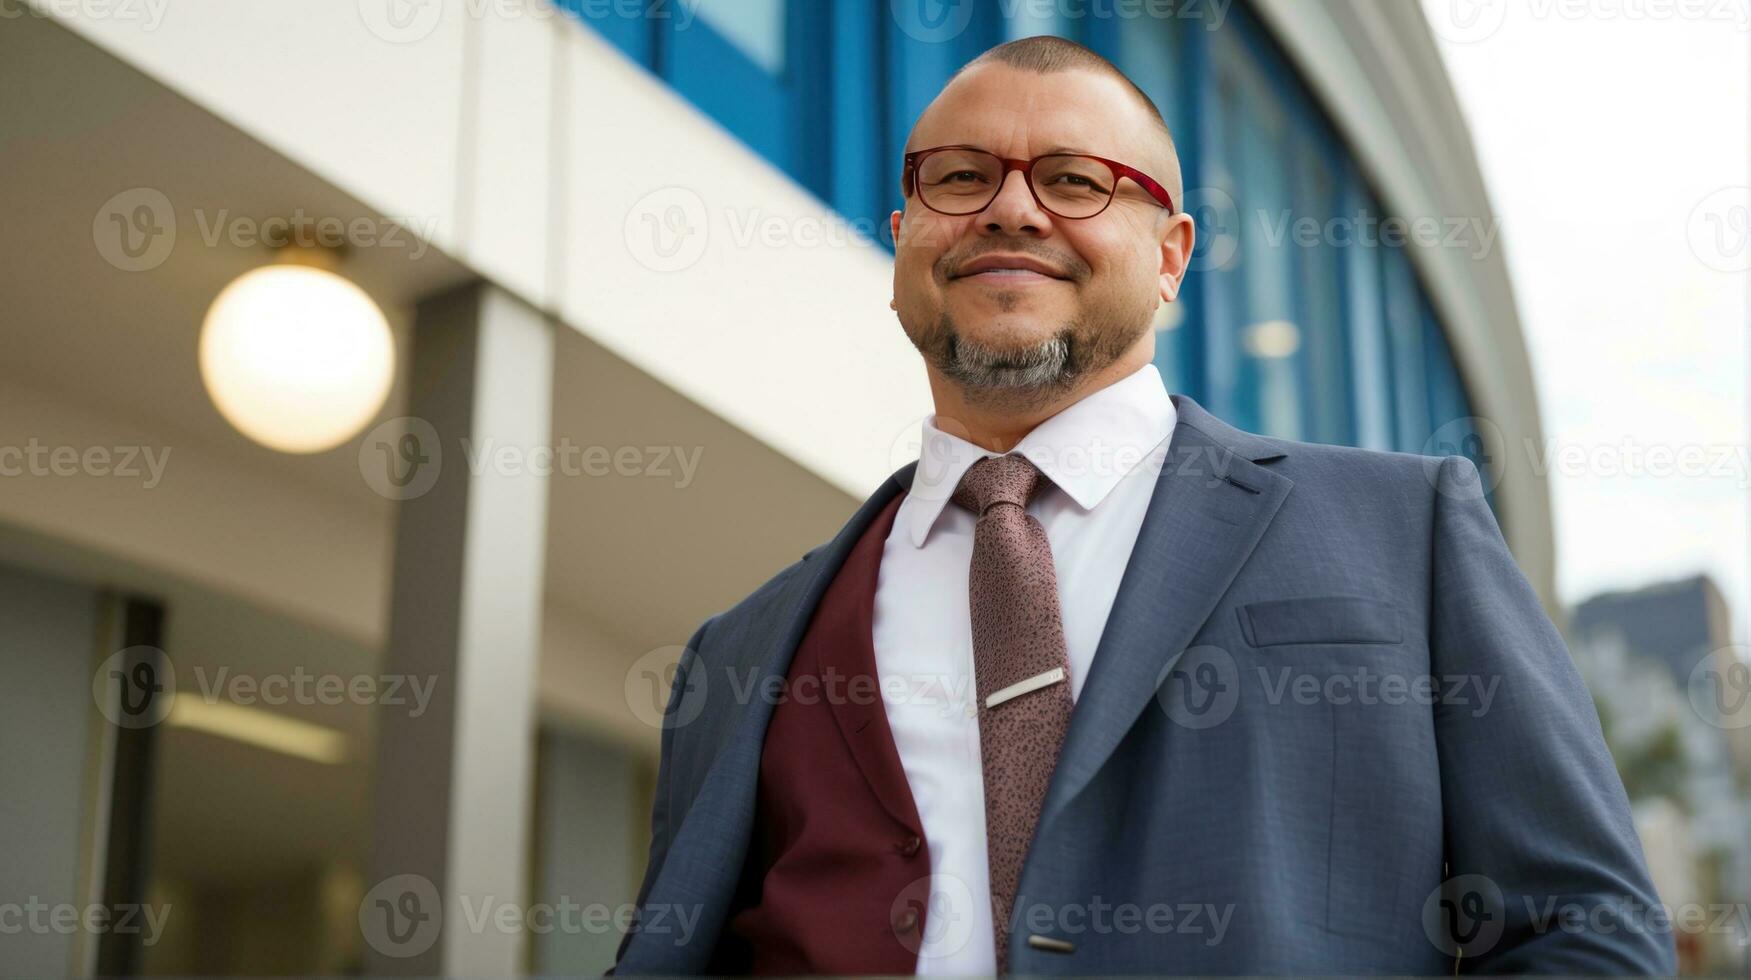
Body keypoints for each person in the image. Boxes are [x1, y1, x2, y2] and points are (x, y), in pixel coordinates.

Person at [611, 35, 1674, 975]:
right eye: (959, 177)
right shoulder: (736, 652)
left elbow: (1581, 926)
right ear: (903, 239)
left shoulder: (1404, 530)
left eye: (1075, 179)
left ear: (1170, 256)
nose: (1009, 206)